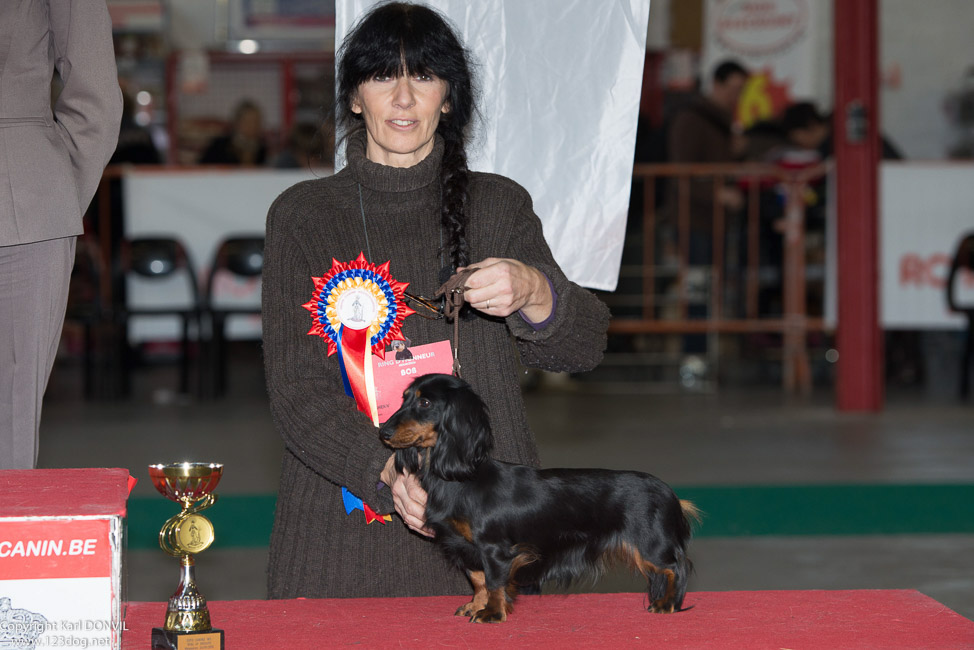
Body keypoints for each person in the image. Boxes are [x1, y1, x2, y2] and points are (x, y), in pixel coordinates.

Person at [262, 2, 609, 599]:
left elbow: (585, 346)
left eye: (422, 76)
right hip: (339, 538)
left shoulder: (499, 205)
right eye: (381, 76)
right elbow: (295, 390)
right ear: (353, 97)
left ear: (448, 99)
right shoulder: (301, 216)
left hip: (492, 534)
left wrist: (534, 290)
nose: (402, 98)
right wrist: (384, 469)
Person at [0, 1, 122, 469]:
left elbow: (97, 100)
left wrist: (54, 193)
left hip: (19, 208)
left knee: (9, 429)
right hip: (23, 200)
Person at [198, 99, 268, 166]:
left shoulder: (262, 150)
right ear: (237, 122)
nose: (252, 126)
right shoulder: (219, 145)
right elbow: (202, 168)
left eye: (255, 121)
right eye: (248, 121)